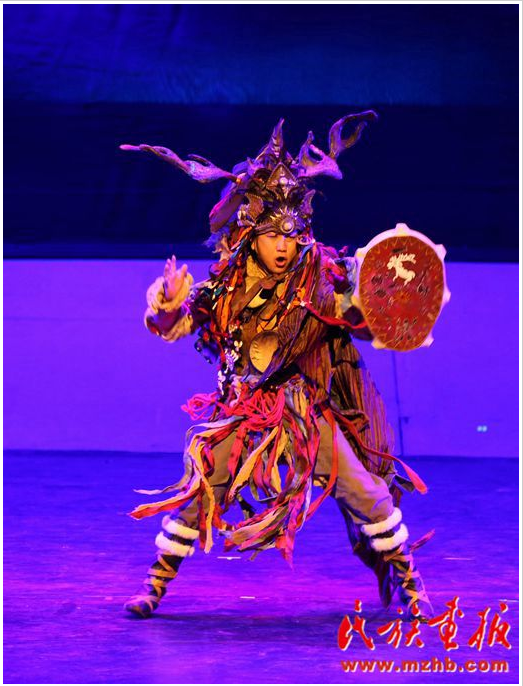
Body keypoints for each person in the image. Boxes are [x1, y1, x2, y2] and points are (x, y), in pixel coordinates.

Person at [120, 113, 434, 621]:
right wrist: (167, 304)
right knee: (204, 488)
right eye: (272, 235)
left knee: (366, 493)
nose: (283, 246)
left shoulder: (321, 279)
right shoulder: (223, 288)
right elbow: (173, 324)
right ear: (251, 233)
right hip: (246, 413)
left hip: (306, 410)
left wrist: (381, 306)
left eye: (291, 235)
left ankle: (409, 582)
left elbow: (360, 320)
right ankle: (154, 585)